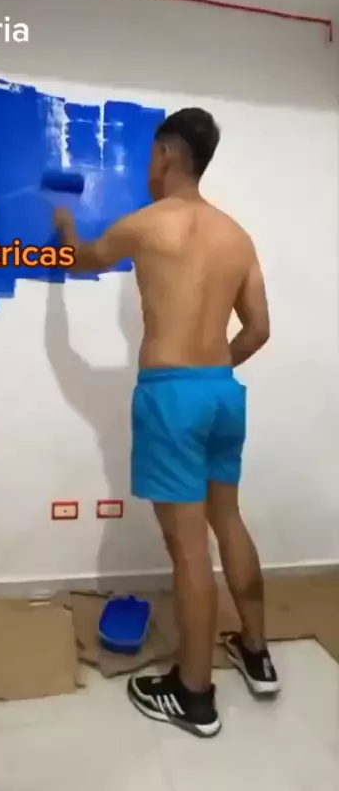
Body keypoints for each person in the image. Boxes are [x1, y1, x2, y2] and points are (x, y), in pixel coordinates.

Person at [53, 107, 279, 739]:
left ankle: (194, 694)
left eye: (152, 157)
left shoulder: (147, 224)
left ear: (167, 154)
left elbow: (81, 258)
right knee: (227, 520)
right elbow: (259, 330)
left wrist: (65, 224)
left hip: (171, 397)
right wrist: (210, 369)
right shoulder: (237, 236)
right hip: (221, 394)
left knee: (188, 550)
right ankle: (256, 654)